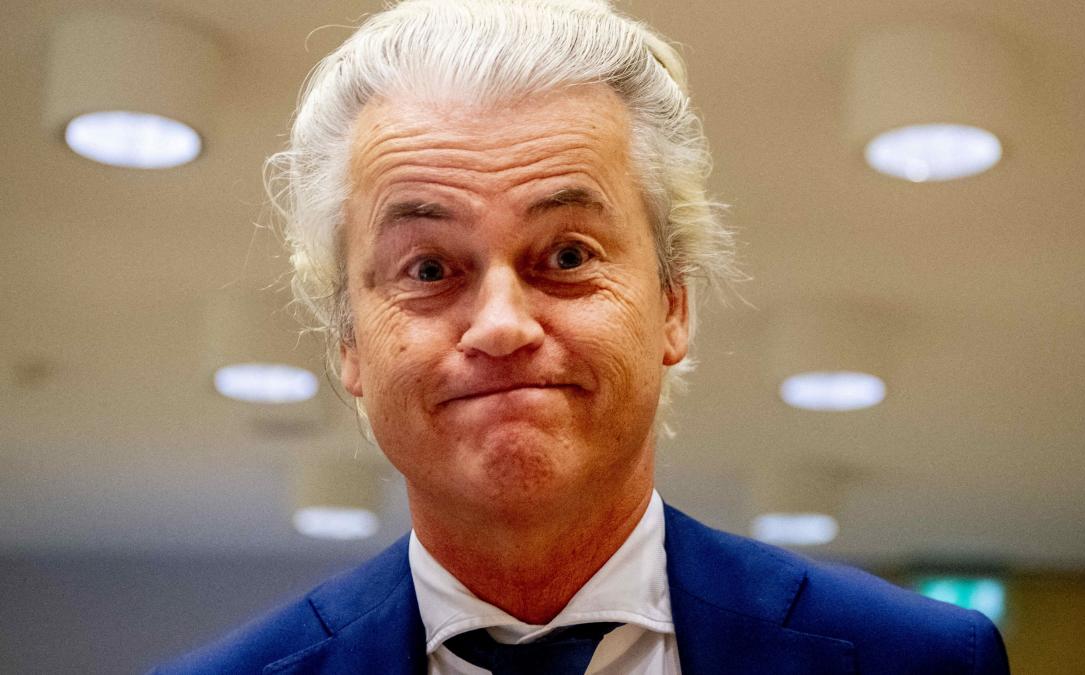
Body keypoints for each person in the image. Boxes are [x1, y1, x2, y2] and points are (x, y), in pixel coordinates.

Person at [157, 1, 1009, 673]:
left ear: (674, 303)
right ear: (348, 342)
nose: (501, 324)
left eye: (567, 255)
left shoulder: (921, 661)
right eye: (429, 268)